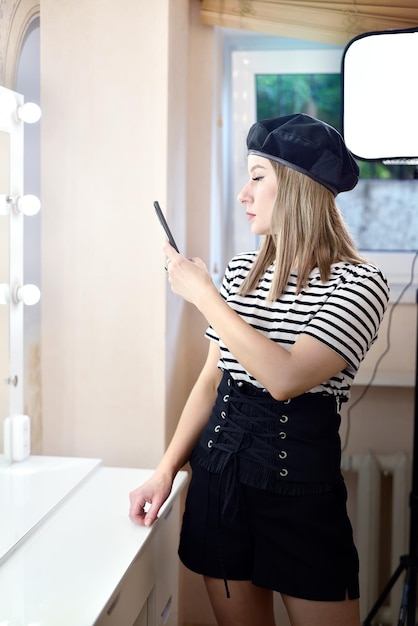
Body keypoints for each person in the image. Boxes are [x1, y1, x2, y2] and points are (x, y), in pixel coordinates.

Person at [129, 113, 390, 626]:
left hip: (302, 499)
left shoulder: (360, 284)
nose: (243, 196)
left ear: (296, 188)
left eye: (256, 178)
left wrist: (204, 296)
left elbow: (286, 378)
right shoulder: (237, 273)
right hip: (218, 483)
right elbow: (212, 381)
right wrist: (164, 472)